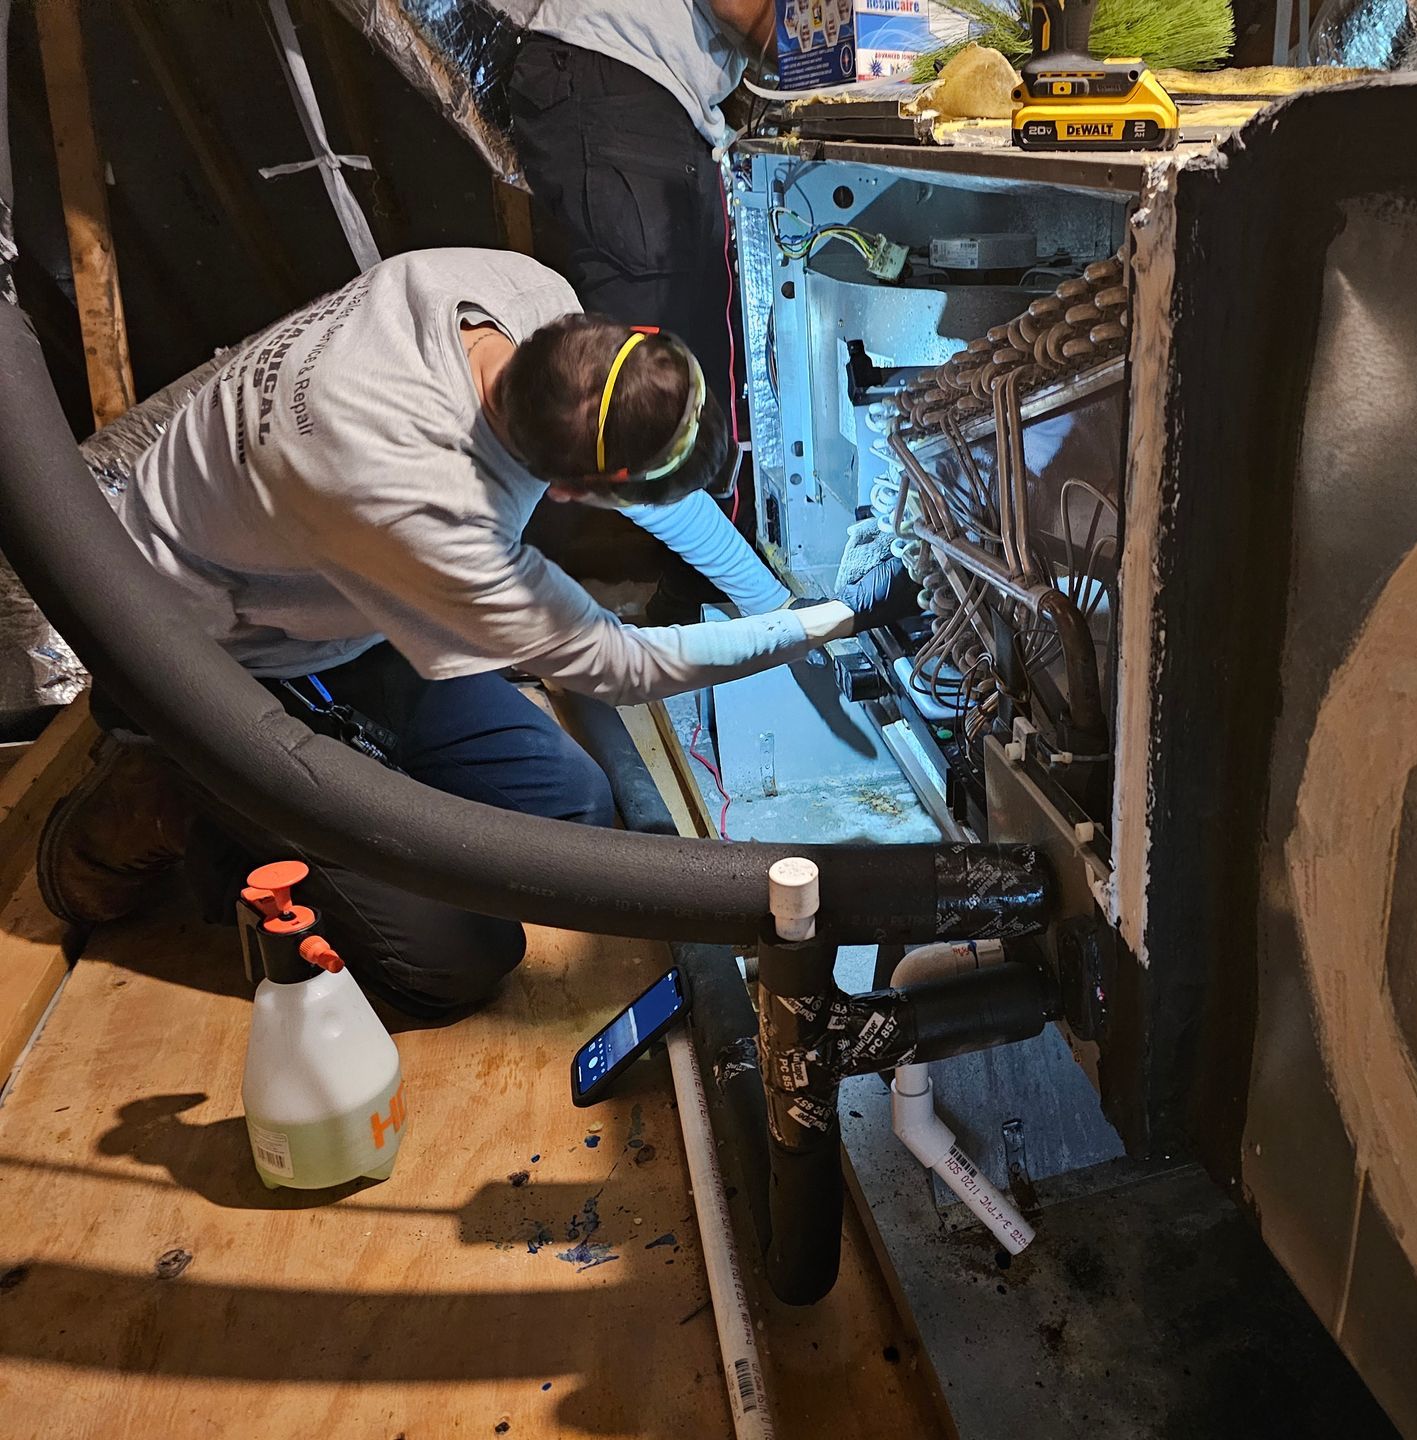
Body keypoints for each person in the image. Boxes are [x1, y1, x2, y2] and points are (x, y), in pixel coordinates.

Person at [39, 247, 913, 1018]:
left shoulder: (526, 300)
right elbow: (623, 666)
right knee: (457, 961)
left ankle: (355, 781)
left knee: (571, 813)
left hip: (335, 598)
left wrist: (777, 610)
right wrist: (837, 616)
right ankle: (175, 797)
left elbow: (652, 484)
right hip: (205, 653)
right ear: (565, 493)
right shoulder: (428, 506)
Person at [510, 0, 774, 625]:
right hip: (622, 74)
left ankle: (701, 599)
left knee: (682, 383)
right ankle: (522, 607)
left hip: (631, 88)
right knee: (638, 406)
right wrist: (821, 61)